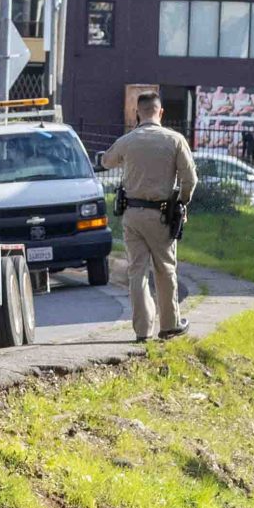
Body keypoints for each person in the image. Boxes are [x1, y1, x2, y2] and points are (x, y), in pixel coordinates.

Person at [101, 113, 198, 343]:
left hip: (132, 215)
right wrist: (182, 202)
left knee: (137, 271)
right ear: (161, 112)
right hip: (162, 215)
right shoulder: (175, 140)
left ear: (137, 115)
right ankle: (169, 325)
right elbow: (190, 179)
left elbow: (106, 161)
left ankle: (142, 330)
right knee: (165, 269)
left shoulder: (128, 140)